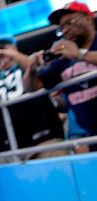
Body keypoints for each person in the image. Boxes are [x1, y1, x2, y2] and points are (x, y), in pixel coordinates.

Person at [0, 35, 67, 158]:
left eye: (1, 49)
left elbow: (36, 69)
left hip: (47, 138)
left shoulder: (28, 61)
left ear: (13, 48)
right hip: (20, 146)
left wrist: (12, 54)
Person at [25, 2, 97, 142]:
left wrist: (80, 54)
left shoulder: (73, 52)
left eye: (69, 23)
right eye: (61, 27)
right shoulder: (63, 57)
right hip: (91, 134)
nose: (64, 30)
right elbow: (32, 88)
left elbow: (78, 54)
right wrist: (31, 69)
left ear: (88, 17)